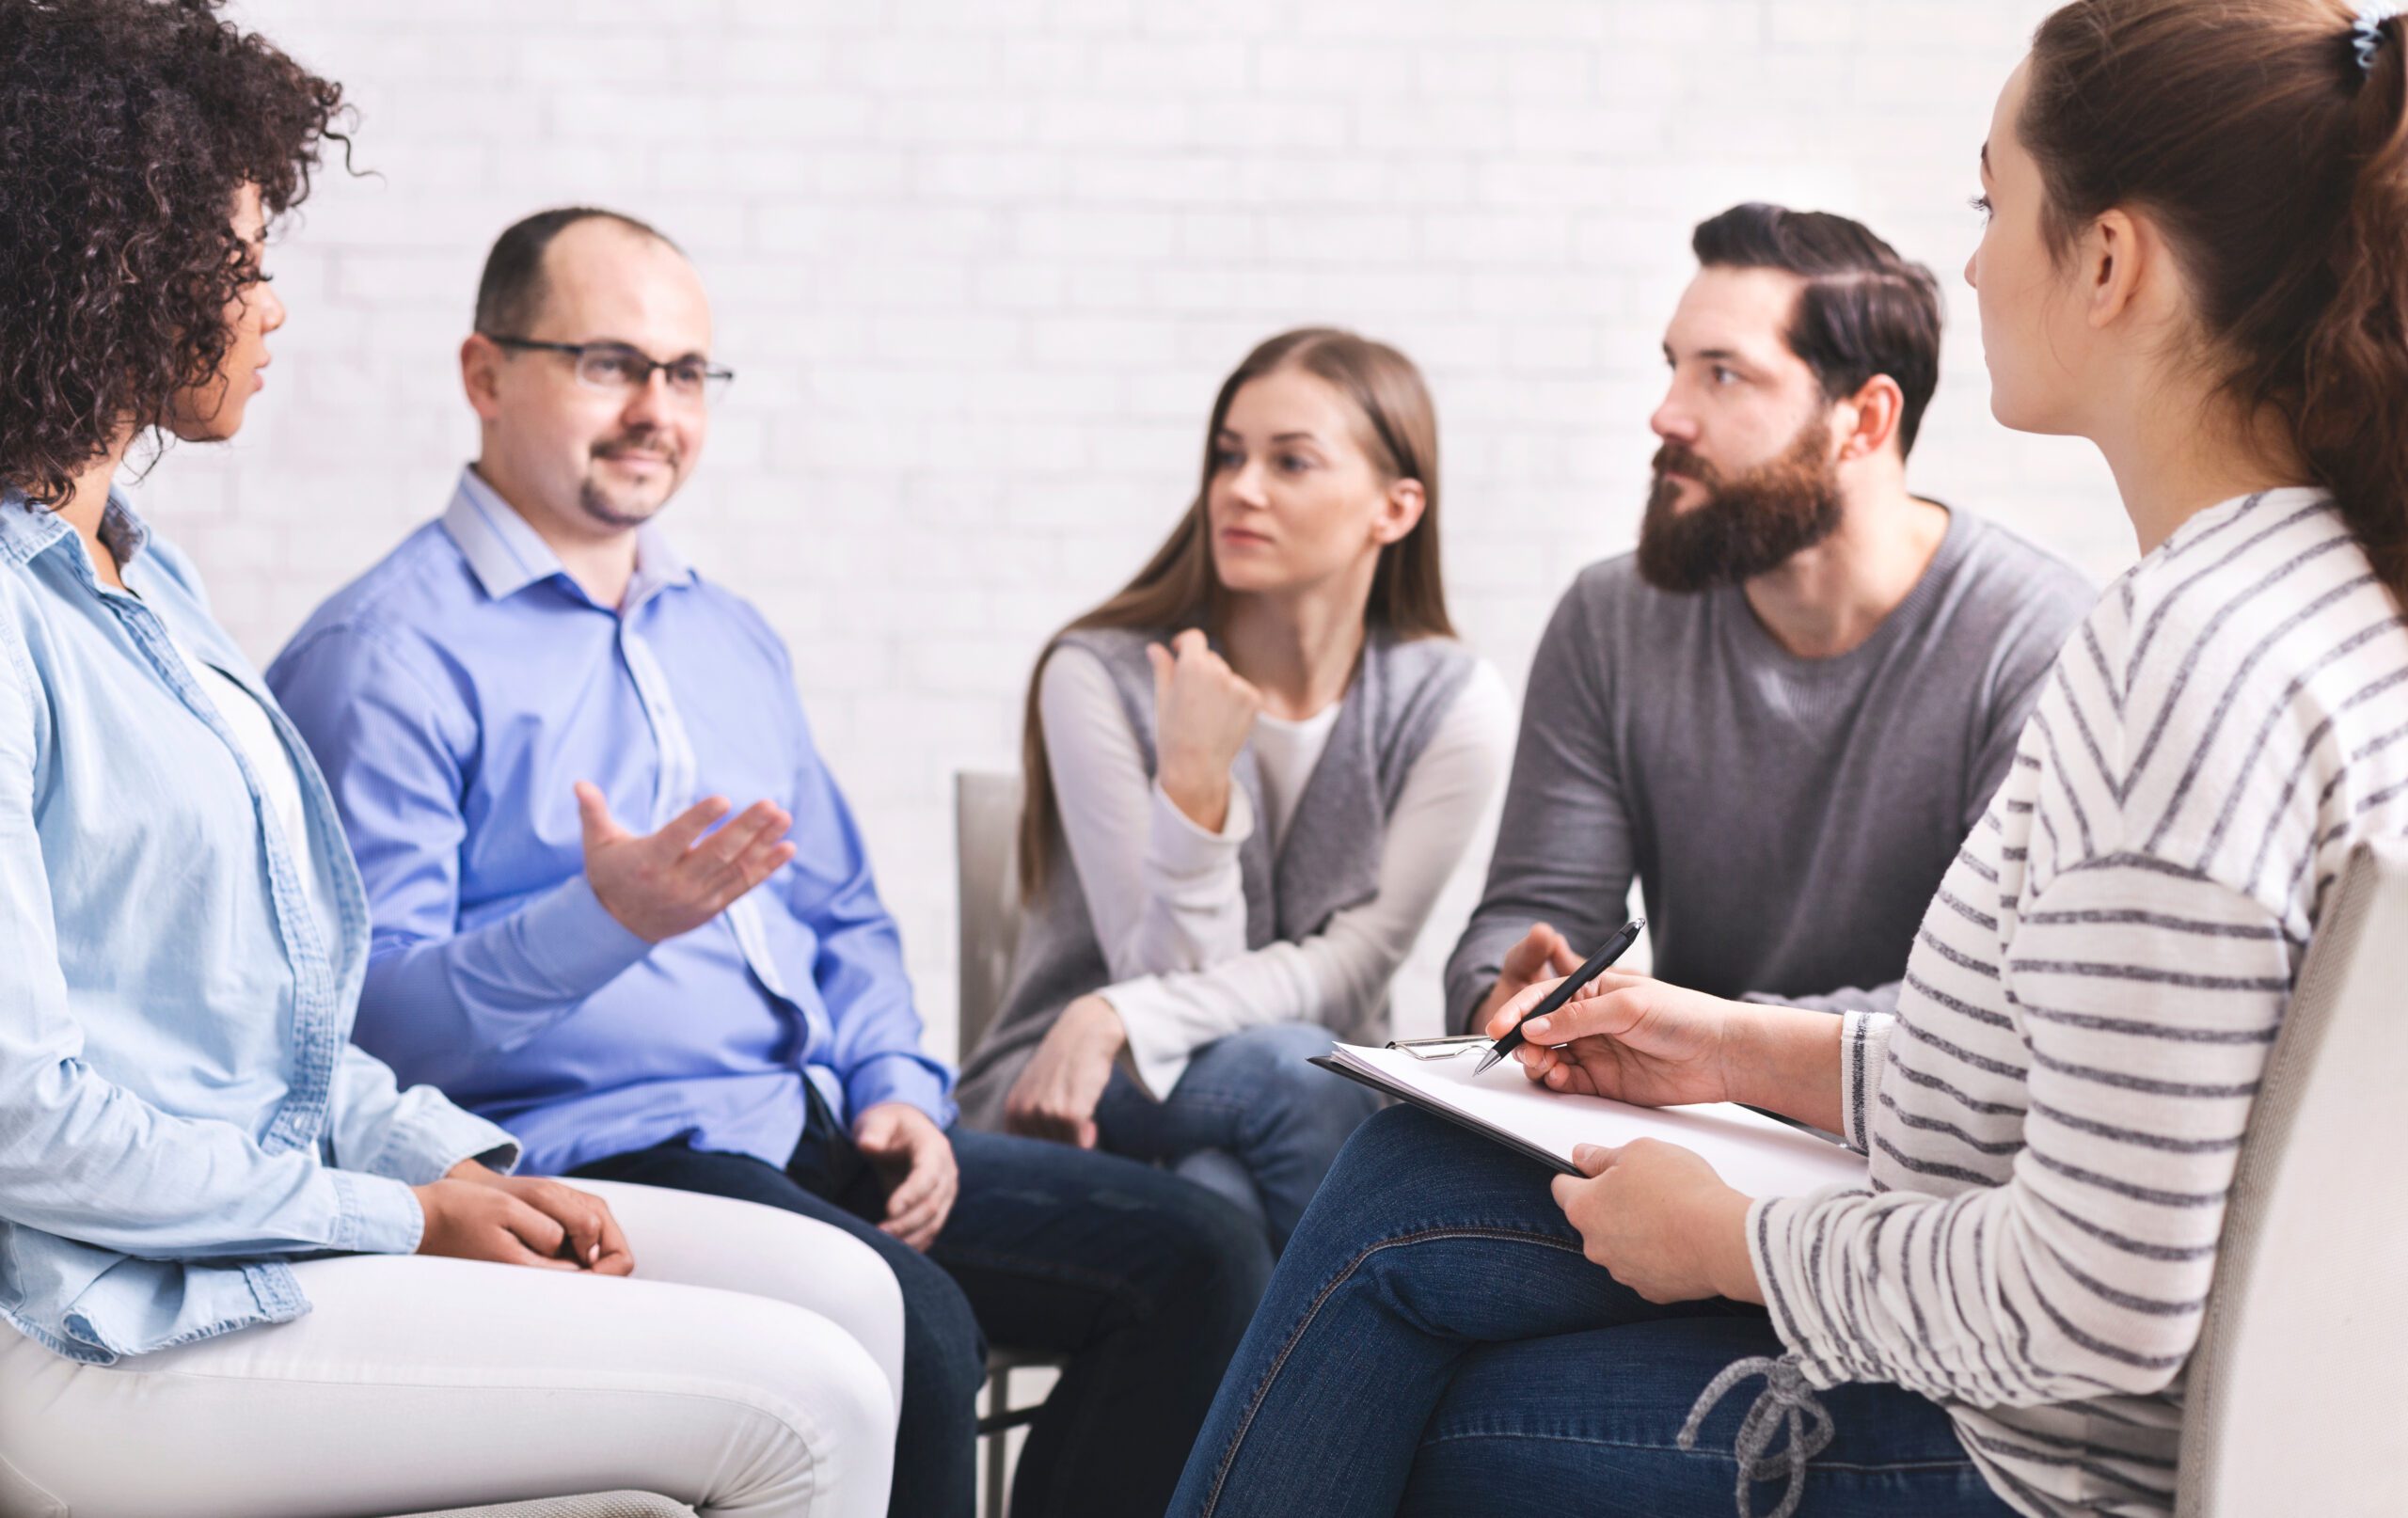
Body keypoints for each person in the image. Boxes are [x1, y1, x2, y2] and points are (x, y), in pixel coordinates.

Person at [1166, 2, 2408, 1514]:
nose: (1970, 259)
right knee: (1407, 1188)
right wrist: (1726, 1044)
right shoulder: (2316, 598)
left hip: (2045, 1462)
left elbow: (2097, 1298)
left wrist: (1731, 1239)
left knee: (1407, 1395)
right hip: (2063, 1363)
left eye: (1990, 200)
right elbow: (2056, 1086)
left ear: (2107, 261)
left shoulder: (2178, 662)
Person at [0, 6, 901, 1516]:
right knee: (801, 1397)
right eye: (247, 258)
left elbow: (262, 1029)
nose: (273, 309)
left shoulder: (147, 583)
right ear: (112, 265)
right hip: (92, 1307)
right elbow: (25, 1124)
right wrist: (394, 1215)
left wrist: (452, 1163)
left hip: (237, 1221)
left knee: (847, 1294)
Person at [266, 205, 1274, 1518]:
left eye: (685, 373)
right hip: (596, 1157)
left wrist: (899, 1082)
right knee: (912, 1322)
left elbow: (842, 911)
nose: (656, 408)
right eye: (608, 362)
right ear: (484, 374)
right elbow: (358, 1028)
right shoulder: (384, 654)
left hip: (805, 1122)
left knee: (1202, 1254)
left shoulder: (726, 636)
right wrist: (598, 922)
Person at [1446, 203, 2091, 1039]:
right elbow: (1532, 911)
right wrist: (1512, 996)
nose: (1666, 415)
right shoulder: (1610, 621)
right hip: (1660, 1113)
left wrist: (1704, 1042)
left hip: (1893, 1142)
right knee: (1401, 1154)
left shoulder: (2038, 641)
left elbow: (1991, 1006)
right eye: (1674, 367)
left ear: (1863, 420)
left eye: (1722, 374)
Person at [952, 328, 1513, 1250]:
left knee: (1227, 1185)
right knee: (1283, 1073)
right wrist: (1194, 783)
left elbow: (1351, 972)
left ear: (1396, 507)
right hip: (1078, 1087)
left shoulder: (1449, 704)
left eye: (1291, 462)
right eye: (1229, 456)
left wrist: (1116, 1014)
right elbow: (1159, 967)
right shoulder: (1100, 673)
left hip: (1280, 1092)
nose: (1239, 489)